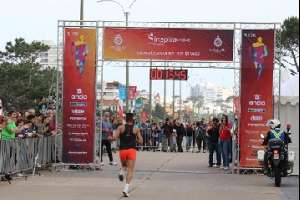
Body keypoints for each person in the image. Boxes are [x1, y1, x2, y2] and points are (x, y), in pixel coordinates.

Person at [113, 113, 143, 197]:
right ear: (133, 120)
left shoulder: (120, 127)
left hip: (122, 150)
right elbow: (141, 141)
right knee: (130, 170)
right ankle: (126, 189)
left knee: (124, 165)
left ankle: (122, 171)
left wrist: (112, 138)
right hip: (131, 150)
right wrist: (135, 139)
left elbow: (114, 137)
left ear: (126, 119)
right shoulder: (136, 129)